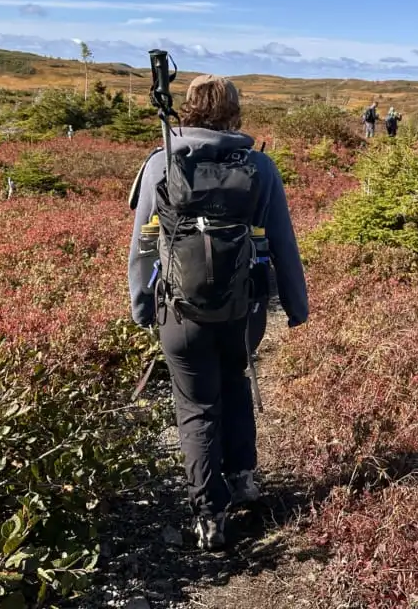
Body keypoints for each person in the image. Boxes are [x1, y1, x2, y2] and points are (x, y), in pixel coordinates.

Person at [127, 74, 309, 551]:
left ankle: (210, 514)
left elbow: (143, 246)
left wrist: (142, 306)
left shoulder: (158, 164)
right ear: (234, 110)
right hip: (243, 310)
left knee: (196, 407)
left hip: (179, 312)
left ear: (187, 108)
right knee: (235, 381)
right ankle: (244, 477)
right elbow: (284, 243)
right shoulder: (260, 166)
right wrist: (295, 304)